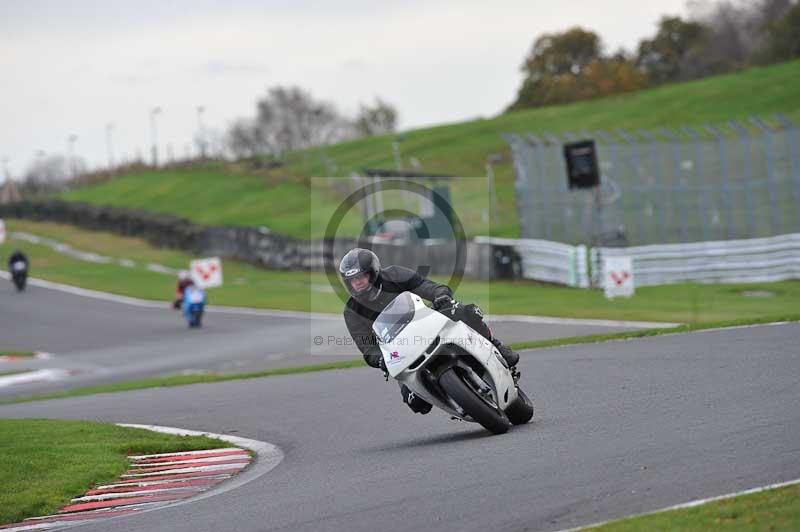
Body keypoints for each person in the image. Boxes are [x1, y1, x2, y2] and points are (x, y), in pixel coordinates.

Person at [339, 248, 520, 415]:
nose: (358, 283)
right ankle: (454, 398)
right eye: (353, 280)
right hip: (400, 350)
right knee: (417, 404)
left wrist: (440, 295)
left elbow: (427, 286)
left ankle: (495, 345)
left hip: (428, 324)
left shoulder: (395, 275)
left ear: (374, 272)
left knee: (466, 311)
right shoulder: (352, 311)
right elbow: (367, 347)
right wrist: (380, 359)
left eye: (362, 276)